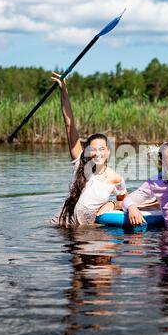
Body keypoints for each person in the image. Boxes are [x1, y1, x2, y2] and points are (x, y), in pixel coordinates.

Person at [51, 72, 127, 226]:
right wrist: (64, 92)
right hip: (62, 225)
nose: (98, 153)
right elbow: (69, 125)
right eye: (93, 149)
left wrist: (112, 204)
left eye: (102, 149)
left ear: (108, 152)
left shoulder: (117, 179)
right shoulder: (79, 162)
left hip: (88, 230)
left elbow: (124, 203)